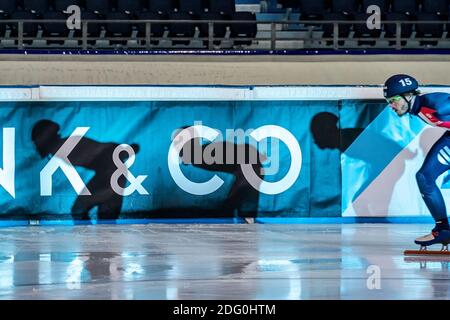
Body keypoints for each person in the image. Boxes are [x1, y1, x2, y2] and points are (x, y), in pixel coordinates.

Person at [384, 74, 450, 248]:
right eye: (388, 101)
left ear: (409, 95)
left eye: (394, 100)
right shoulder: (419, 109)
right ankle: (443, 230)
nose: (391, 105)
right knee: (424, 177)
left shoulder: (438, 105)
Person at [31, 119, 139, 220]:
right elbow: (105, 151)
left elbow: (106, 151)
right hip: (110, 171)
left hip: (112, 171)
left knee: (84, 210)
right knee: (90, 211)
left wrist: (126, 150)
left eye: (37, 143)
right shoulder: (63, 147)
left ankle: (98, 235)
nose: (36, 146)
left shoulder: (67, 146)